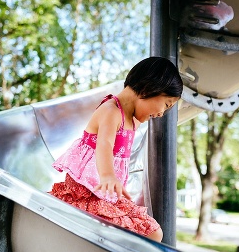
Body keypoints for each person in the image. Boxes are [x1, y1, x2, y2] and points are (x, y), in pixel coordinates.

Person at [48, 57, 182, 241]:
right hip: (86, 195)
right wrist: (108, 176)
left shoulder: (131, 120)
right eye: (166, 104)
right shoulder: (111, 111)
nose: (161, 114)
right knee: (128, 234)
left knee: (153, 232)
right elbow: (105, 144)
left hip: (106, 197)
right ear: (150, 88)